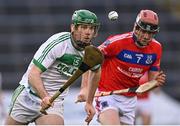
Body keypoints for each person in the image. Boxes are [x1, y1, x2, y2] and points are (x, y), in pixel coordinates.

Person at [5, 9, 101, 125]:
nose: (88, 32)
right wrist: (44, 97)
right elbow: (33, 74)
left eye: (91, 28)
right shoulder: (59, 44)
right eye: (84, 27)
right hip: (28, 96)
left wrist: (89, 100)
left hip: (54, 103)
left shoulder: (91, 53)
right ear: (73, 28)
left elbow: (95, 72)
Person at [76, 9, 166, 125]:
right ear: (136, 27)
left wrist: (155, 83)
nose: (146, 36)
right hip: (108, 95)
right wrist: (84, 88)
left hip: (130, 100)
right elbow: (90, 58)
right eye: (143, 31)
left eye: (150, 33)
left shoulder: (156, 48)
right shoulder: (117, 42)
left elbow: (151, 82)